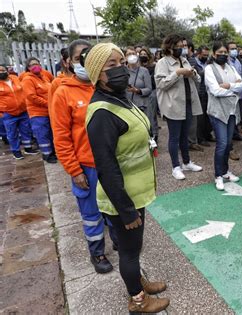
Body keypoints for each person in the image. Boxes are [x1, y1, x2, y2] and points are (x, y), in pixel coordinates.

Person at [84, 43, 169, 313]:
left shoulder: (119, 98)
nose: (121, 67)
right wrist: (127, 210)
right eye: (111, 64)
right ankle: (138, 300)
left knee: (133, 247)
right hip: (123, 198)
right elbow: (106, 168)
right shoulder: (102, 113)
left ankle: (138, 283)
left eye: (121, 60)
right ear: (97, 74)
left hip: (135, 192)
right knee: (130, 251)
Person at [50, 39, 118, 274]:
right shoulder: (63, 94)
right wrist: (74, 170)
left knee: (113, 205)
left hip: (110, 163)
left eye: (89, 56)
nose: (84, 62)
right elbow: (61, 137)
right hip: (86, 166)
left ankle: (118, 239)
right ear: (68, 62)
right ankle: (97, 252)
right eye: (79, 58)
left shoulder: (105, 87)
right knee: (91, 214)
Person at [155, 34, 203, 180]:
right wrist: (177, 73)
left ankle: (187, 162)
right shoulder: (163, 63)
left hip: (188, 103)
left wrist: (193, 74)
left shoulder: (185, 60)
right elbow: (161, 84)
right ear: (170, 47)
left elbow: (198, 80)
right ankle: (175, 166)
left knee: (185, 135)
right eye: (180, 46)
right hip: (173, 105)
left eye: (184, 46)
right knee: (174, 137)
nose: (183, 49)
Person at [204, 41, 242, 190]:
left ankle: (225, 171)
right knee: (222, 144)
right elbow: (215, 91)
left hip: (231, 110)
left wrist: (229, 86)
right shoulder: (209, 69)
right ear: (213, 54)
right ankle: (218, 175)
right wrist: (235, 89)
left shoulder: (230, 67)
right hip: (217, 111)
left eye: (225, 52)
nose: (223, 55)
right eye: (220, 53)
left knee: (228, 144)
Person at [21, 57, 57, 163]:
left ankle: (53, 152)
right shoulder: (27, 79)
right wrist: (49, 103)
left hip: (48, 111)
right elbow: (32, 97)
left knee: (50, 133)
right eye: (32, 65)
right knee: (43, 134)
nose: (35, 66)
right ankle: (47, 155)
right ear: (28, 67)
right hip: (38, 113)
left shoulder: (44, 77)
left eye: (37, 64)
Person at [0, 64, 38, 159]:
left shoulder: (15, 78)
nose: (2, 72)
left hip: (23, 111)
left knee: (26, 130)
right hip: (8, 114)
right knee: (12, 134)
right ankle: (16, 151)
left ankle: (28, 148)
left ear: (7, 70)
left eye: (3, 70)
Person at [125, 46, 155, 134]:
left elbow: (149, 89)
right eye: (128, 54)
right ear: (125, 57)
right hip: (128, 107)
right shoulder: (122, 71)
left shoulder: (144, 71)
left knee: (144, 131)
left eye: (133, 54)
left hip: (142, 107)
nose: (131, 56)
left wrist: (138, 90)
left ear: (137, 55)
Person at [194, 45, 214, 146]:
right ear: (198, 54)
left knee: (208, 116)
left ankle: (207, 135)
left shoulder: (207, 63)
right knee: (200, 118)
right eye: (204, 55)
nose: (206, 57)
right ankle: (200, 138)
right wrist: (206, 70)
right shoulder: (194, 62)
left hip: (208, 92)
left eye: (207, 55)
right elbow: (196, 75)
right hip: (199, 92)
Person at [139, 47, 159, 142]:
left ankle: (154, 135)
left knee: (152, 115)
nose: (143, 56)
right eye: (141, 54)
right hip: (141, 93)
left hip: (152, 92)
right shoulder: (138, 67)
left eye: (144, 54)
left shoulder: (154, 66)